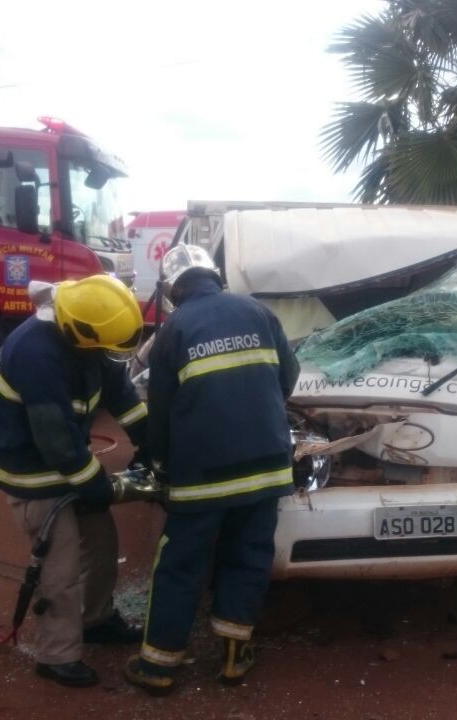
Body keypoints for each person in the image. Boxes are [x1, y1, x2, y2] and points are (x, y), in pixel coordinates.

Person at [124, 245, 299, 696]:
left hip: (202, 477)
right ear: (213, 275)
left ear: (174, 288)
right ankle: (234, 655)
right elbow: (288, 375)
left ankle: (159, 665)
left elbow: (159, 412)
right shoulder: (258, 312)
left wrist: (158, 465)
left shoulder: (174, 330)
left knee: (181, 564)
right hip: (266, 470)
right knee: (248, 556)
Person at [0, 275, 150, 688]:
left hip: (69, 461)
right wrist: (94, 484)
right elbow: (54, 439)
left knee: (102, 542)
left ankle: (95, 619)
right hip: (32, 472)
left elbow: (123, 397)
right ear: (80, 334)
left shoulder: (92, 341)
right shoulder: (34, 354)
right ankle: (55, 655)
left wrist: (153, 442)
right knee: (59, 566)